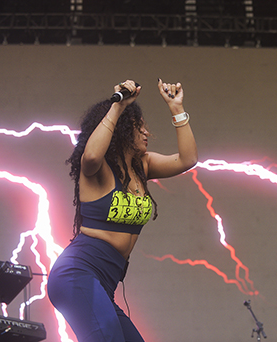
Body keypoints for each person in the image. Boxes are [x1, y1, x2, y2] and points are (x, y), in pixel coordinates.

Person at [47, 79, 198, 342]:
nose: (146, 133)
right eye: (139, 127)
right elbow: (92, 156)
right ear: (122, 131)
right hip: (77, 274)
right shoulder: (98, 170)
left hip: (105, 284)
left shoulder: (144, 166)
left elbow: (188, 159)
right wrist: (118, 105)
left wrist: (176, 108)